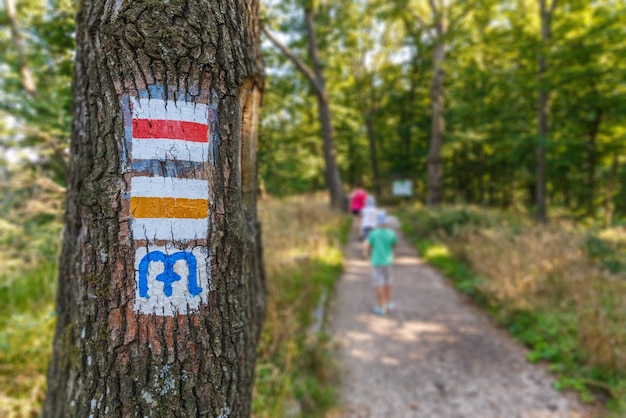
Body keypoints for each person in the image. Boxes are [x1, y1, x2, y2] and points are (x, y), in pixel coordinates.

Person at [363, 210, 397, 315]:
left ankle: (381, 307)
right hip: (388, 261)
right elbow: (394, 245)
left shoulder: (373, 234)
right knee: (388, 283)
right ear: (386, 222)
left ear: (377, 222)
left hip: (376, 262)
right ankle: (388, 303)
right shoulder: (391, 233)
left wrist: (366, 255)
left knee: (379, 284)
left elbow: (368, 245)